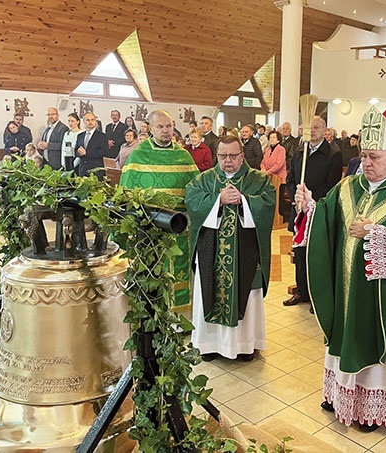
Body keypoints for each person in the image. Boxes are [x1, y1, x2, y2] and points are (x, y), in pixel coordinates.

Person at [296, 105, 386, 431]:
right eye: (363, 155)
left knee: (378, 340)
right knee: (343, 335)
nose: (366, 163)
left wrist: (377, 233)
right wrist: (311, 206)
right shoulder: (348, 186)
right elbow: (327, 217)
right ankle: (339, 394)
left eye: (374, 157)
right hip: (347, 289)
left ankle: (373, 407)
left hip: (384, 297)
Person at [185, 135, 275, 362]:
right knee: (209, 291)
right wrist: (218, 200)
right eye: (223, 156)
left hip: (245, 254)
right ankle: (209, 344)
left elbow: (267, 203)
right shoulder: (204, 180)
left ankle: (245, 346)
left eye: (233, 156)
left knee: (246, 295)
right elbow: (192, 201)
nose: (228, 161)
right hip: (210, 254)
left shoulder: (258, 180)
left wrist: (244, 201)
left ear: (242, 156)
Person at [120, 109, 199, 308]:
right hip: (150, 230)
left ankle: (180, 318)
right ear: (150, 128)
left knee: (179, 273)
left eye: (169, 126)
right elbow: (127, 192)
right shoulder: (139, 154)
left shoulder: (184, 156)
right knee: (152, 274)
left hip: (179, 228)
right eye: (160, 126)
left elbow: (197, 190)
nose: (165, 130)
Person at [283, 116, 343, 308]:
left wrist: (310, 200)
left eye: (317, 127)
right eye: (310, 128)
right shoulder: (300, 150)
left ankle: (317, 294)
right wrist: (296, 197)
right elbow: (291, 177)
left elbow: (331, 184)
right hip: (298, 208)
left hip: (318, 210)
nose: (313, 131)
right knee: (299, 253)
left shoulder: (333, 153)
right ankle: (302, 291)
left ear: (325, 129)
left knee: (316, 254)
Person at [74, 112, 111, 179]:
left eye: (92, 120)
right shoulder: (80, 136)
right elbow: (76, 151)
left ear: (95, 121)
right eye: (88, 120)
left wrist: (87, 153)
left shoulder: (102, 136)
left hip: (96, 171)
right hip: (82, 170)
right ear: (84, 122)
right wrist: (79, 153)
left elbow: (105, 152)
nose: (90, 122)